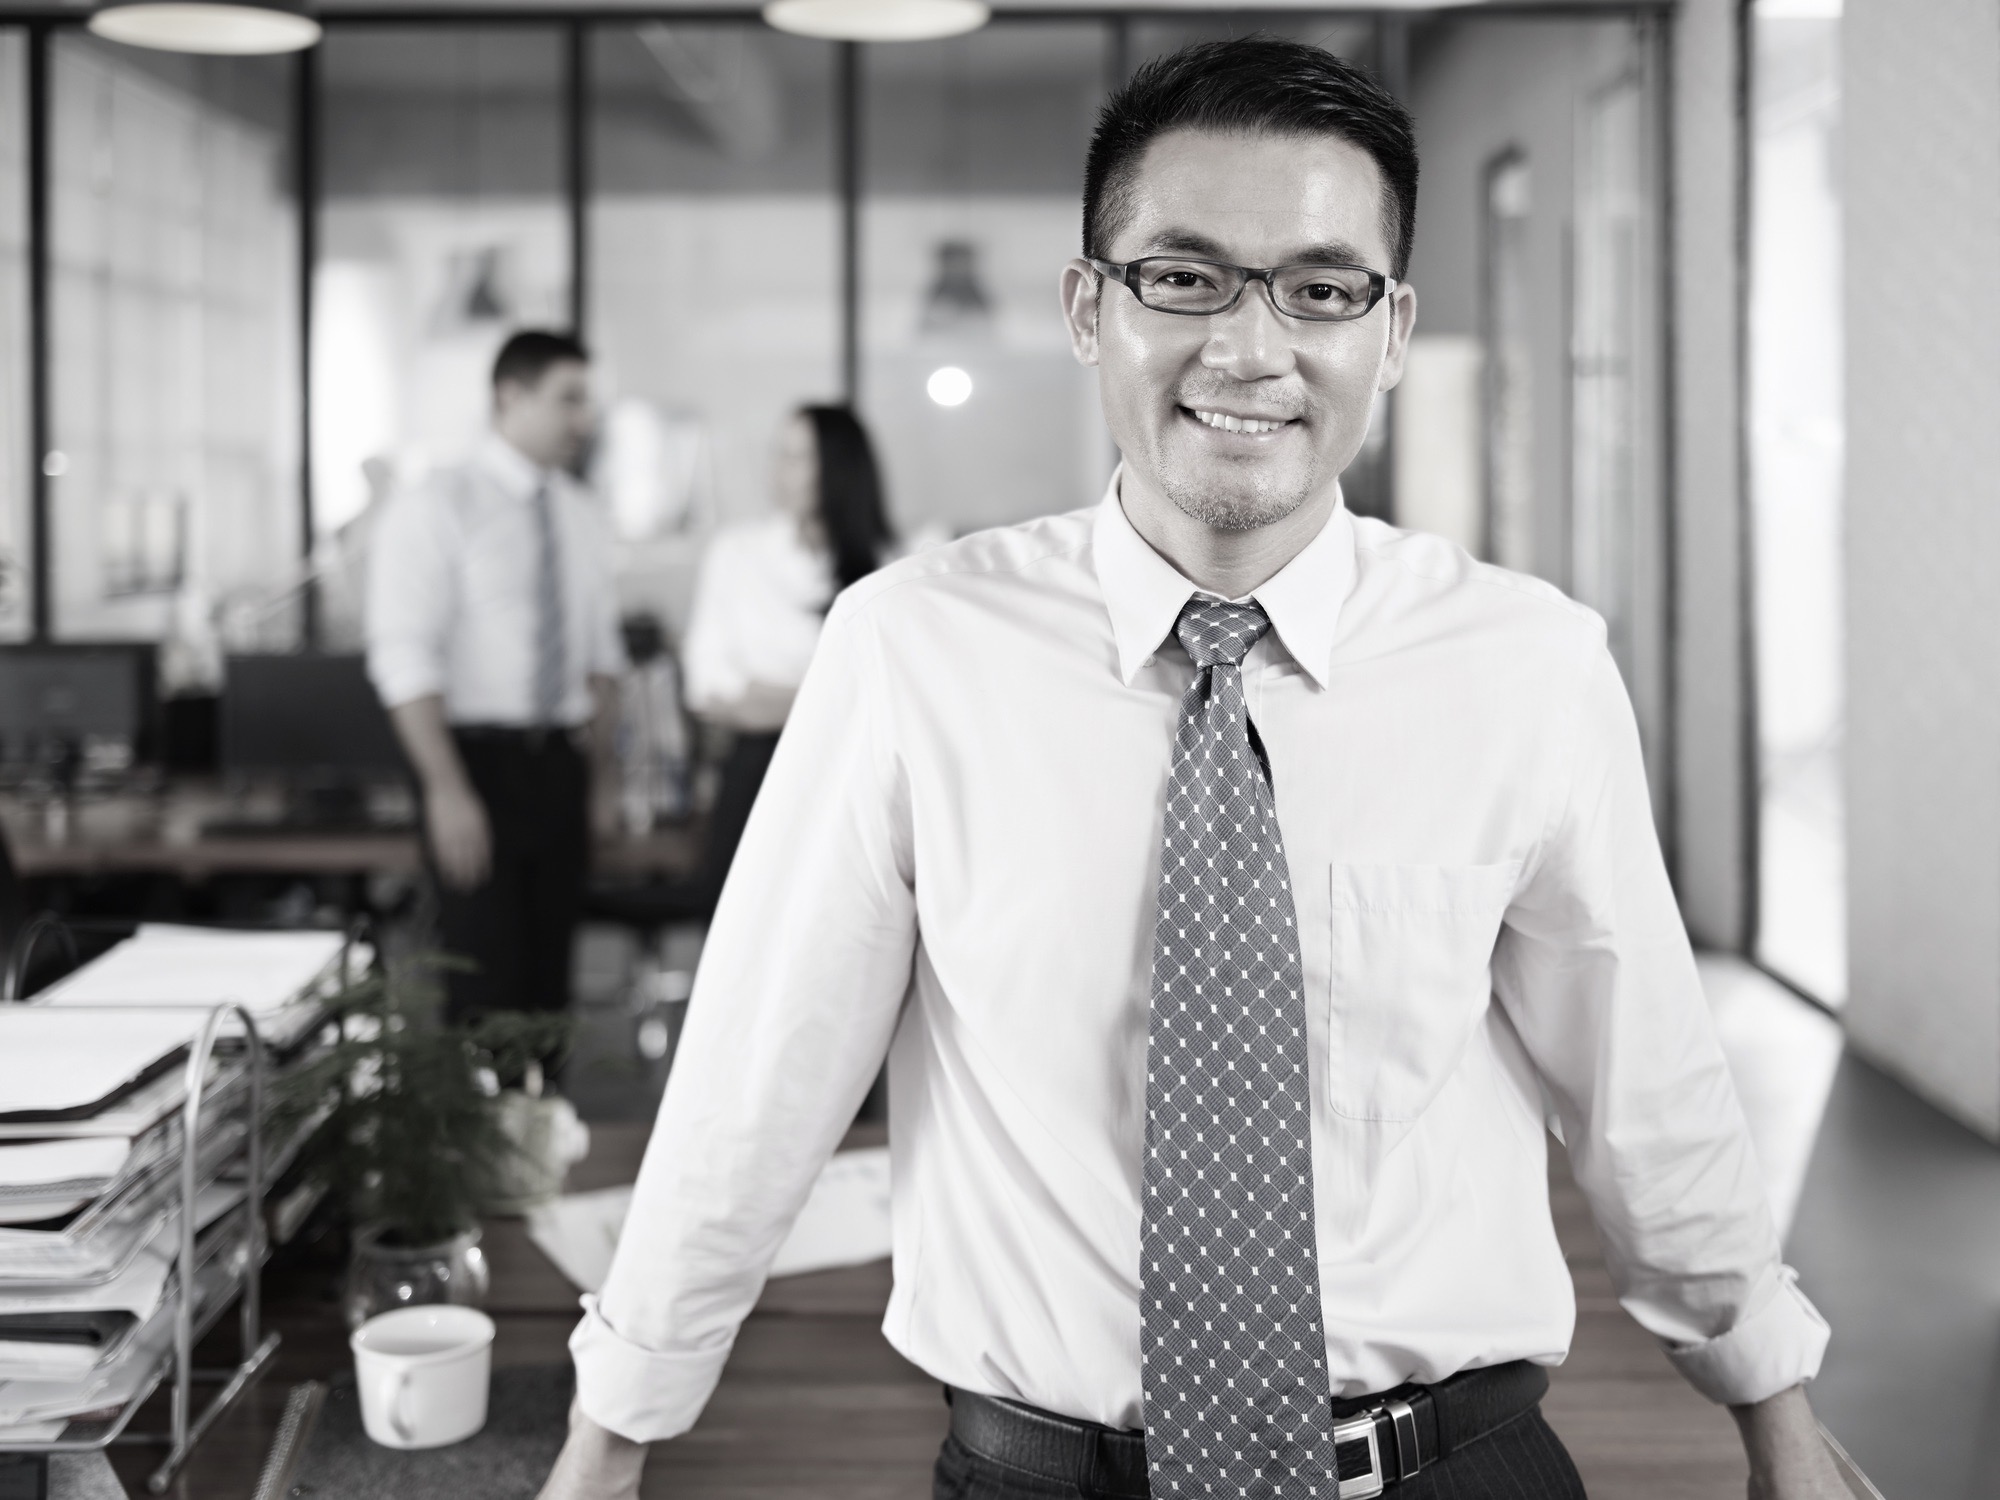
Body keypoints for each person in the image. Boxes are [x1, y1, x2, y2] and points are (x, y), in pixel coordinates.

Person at [539, 39, 1846, 1500]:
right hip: (1044, 1475)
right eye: (1185, 277)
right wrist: (612, 1437)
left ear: (1392, 332)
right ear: (1089, 310)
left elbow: (1646, 1079)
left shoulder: (1524, 663)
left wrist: (1774, 1415)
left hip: (1447, 1467)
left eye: (1322, 288)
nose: (1251, 348)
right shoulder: (912, 652)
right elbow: (755, 1075)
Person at [367, 330, 626, 1022]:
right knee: (485, 984)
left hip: (560, 765)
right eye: (568, 399)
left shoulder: (578, 512)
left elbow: (602, 660)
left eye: (587, 400)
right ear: (509, 397)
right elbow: (403, 657)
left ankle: (546, 1128)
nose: (584, 419)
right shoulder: (437, 504)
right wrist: (446, 789)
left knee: (549, 989)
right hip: (475, 764)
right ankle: (485, 1130)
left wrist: (601, 778)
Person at [678, 405, 895, 903]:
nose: (779, 469)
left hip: (853, 778)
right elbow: (707, 687)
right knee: (740, 925)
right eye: (780, 453)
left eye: (799, 456)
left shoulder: (892, 561)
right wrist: (837, 698)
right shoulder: (738, 552)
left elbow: (895, 691)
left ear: (839, 468)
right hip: (757, 772)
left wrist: (766, 696)